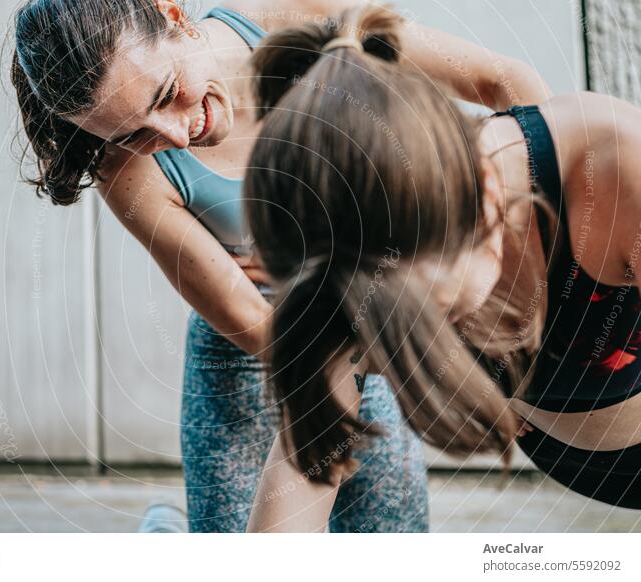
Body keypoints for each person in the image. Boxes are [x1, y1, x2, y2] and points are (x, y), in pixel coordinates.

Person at [11, 0, 553, 532]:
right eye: (133, 134)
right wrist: (420, 355)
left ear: (174, 16)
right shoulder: (121, 166)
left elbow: (506, 81)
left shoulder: (296, 15)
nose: (174, 136)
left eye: (167, 93)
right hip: (253, 358)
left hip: (375, 332)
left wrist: (546, 264)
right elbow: (242, 311)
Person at [242, 5, 641, 531]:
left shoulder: (613, 170)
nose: (433, 340)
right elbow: (299, 486)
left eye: (441, 313)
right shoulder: (348, 270)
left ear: (488, 189)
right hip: (579, 458)